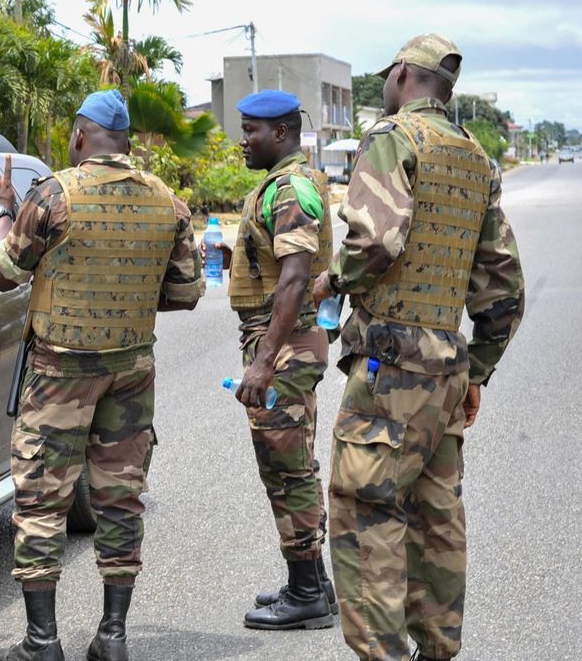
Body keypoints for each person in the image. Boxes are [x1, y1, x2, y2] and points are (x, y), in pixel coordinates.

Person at [311, 34, 525, 660]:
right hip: (446, 373)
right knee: (436, 525)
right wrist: (475, 371)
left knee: (364, 517)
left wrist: (334, 281)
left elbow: (375, 243)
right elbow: (504, 289)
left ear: (404, 73)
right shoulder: (476, 158)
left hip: (389, 369)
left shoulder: (392, 137)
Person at [0, 89, 205, 661]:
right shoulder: (169, 203)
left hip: (61, 370)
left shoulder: (52, 197)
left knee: (41, 502)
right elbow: (185, 294)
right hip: (131, 370)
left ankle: (41, 642)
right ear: (126, 141)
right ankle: (113, 637)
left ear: (80, 137)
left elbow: (6, 272)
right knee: (120, 500)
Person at [209, 90, 337, 631]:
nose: (243, 140)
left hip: (285, 344)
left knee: (286, 469)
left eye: (251, 130)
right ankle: (312, 583)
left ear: (281, 133)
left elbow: (295, 279)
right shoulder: (281, 186)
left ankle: (307, 593)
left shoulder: (290, 189)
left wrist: (263, 362)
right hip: (282, 341)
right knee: (290, 464)